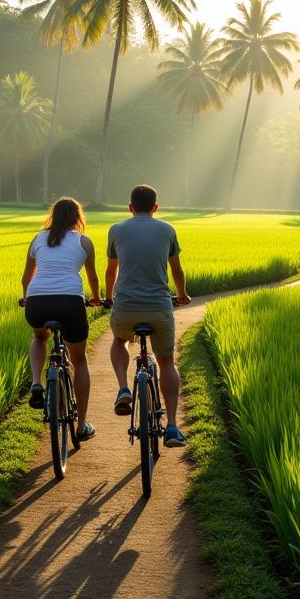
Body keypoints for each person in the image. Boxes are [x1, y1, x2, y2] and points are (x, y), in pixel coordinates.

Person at [104, 184, 191, 448]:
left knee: (120, 340)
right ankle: (173, 426)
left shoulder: (116, 230)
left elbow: (111, 271)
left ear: (130, 208)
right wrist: (183, 295)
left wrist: (109, 298)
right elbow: (177, 271)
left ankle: (123, 388)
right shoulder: (167, 229)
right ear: (156, 207)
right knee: (166, 362)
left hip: (126, 308)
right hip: (159, 308)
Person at [20, 196, 99, 441]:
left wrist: (26, 298)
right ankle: (81, 424)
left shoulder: (37, 239)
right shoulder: (84, 242)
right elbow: (93, 278)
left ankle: (36, 381)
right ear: (78, 218)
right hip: (70, 303)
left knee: (39, 336)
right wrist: (96, 298)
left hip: (37, 303)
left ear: (52, 216)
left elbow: (26, 278)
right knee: (80, 362)